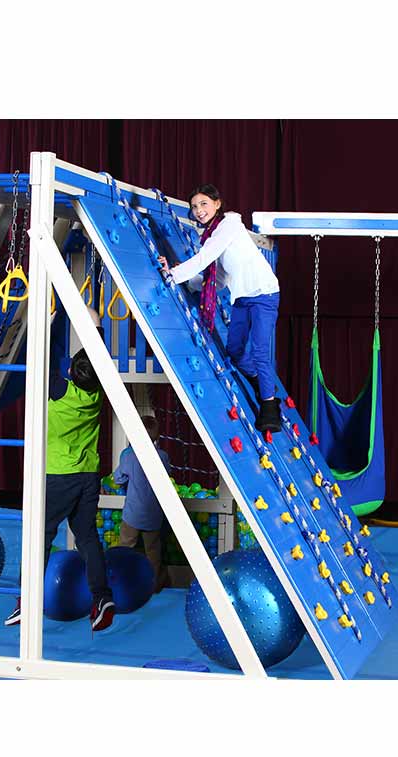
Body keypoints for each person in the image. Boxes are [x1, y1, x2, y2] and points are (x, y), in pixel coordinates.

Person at [5, 307, 115, 632]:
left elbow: (44, 351)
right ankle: (102, 596)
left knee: (41, 536)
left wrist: (50, 318)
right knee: (87, 537)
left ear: (71, 371)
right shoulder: (96, 393)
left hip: (58, 476)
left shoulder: (60, 391)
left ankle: (26, 601)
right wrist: (96, 327)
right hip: (88, 475)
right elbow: (91, 357)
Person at [158, 184, 281, 433]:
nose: (199, 210)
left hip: (264, 293)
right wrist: (181, 279)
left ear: (217, 203)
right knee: (234, 350)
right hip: (242, 298)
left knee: (259, 351)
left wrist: (174, 274)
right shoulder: (212, 237)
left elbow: (205, 257)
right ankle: (259, 381)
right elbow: (220, 278)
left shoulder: (230, 224)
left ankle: (270, 406)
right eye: (194, 207)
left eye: (204, 204)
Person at [112, 415, 172, 593]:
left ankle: (120, 581)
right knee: (153, 550)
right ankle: (155, 584)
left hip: (133, 512)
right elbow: (167, 475)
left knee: (125, 546)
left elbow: (118, 478)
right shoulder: (162, 456)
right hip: (153, 512)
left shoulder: (129, 456)